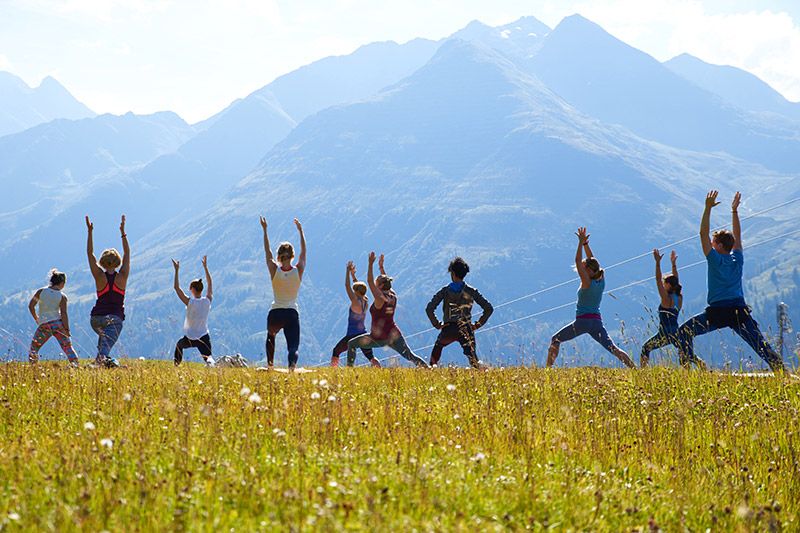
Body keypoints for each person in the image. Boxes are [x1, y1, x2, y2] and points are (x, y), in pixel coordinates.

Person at [677, 191, 784, 372]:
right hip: (738, 311)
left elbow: (702, 233)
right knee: (761, 346)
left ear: (718, 246)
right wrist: (734, 211)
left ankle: (688, 370)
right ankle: (783, 372)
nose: (710, 243)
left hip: (717, 312)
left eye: (713, 241)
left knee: (684, 332)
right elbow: (738, 237)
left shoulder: (714, 259)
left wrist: (707, 209)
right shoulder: (737, 259)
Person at [547, 227, 635, 368]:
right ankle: (635, 369)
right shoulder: (601, 279)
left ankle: (547, 370)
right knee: (613, 348)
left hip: (583, 321)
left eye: (584, 266)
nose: (581, 267)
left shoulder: (586, 282)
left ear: (588, 270)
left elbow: (577, 260)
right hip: (597, 322)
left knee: (555, 339)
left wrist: (580, 243)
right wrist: (586, 244)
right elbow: (593, 261)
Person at [347, 253, 429, 367]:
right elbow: (386, 283)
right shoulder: (392, 295)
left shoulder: (380, 298)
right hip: (394, 334)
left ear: (380, 286)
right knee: (410, 355)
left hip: (379, 338)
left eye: (377, 282)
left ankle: (349, 370)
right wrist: (381, 267)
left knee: (351, 344)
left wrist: (370, 264)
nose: (375, 283)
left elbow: (369, 281)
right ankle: (428, 368)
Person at [425, 257, 493, 368]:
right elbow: (488, 308)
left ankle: (432, 369)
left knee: (438, 347)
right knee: (473, 359)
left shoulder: (445, 291)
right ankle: (480, 376)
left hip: (448, 328)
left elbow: (429, 308)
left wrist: (437, 324)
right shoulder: (471, 291)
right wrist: (477, 325)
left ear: (453, 273)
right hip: (466, 328)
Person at [260, 216, 306, 371]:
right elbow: (304, 253)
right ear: (292, 255)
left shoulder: (274, 269)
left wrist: (265, 230)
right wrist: (300, 231)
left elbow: (267, 252)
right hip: (292, 313)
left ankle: (270, 366)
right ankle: (291, 368)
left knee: (271, 336)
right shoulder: (298, 270)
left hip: (276, 313)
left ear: (279, 256)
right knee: (293, 346)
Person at [86, 215, 129, 368]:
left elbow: (90, 254)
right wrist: (123, 232)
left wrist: (90, 232)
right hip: (114, 319)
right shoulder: (122, 276)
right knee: (106, 346)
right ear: (118, 262)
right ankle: (98, 364)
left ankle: (103, 362)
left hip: (96, 319)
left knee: (104, 340)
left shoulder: (98, 275)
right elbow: (127, 254)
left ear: (102, 262)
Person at [640, 250, 689, 368]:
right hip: (676, 331)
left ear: (669, 285)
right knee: (684, 352)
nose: (663, 283)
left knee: (646, 348)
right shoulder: (679, 297)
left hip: (665, 333)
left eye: (665, 283)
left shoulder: (666, 298)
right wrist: (673, 264)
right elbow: (676, 280)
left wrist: (657, 263)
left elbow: (657, 280)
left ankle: (642, 372)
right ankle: (690, 370)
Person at [331, 261, 380, 367]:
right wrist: (353, 276)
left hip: (352, 335)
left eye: (354, 290)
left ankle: (333, 371)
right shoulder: (365, 300)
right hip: (363, 333)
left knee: (336, 351)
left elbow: (347, 285)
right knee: (371, 357)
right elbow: (359, 288)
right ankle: (380, 369)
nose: (353, 291)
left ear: (357, 292)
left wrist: (347, 271)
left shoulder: (355, 301)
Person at [27, 269, 79, 366]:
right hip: (58, 324)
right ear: (62, 283)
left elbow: (31, 306)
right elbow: (64, 313)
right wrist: (67, 329)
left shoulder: (40, 292)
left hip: (44, 325)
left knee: (34, 348)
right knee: (67, 347)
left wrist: (36, 318)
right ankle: (75, 365)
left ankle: (33, 367)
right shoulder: (62, 296)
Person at [172, 256, 215, 367]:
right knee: (209, 359)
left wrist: (176, 270)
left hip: (190, 337)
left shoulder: (190, 302)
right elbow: (210, 284)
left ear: (192, 289)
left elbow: (176, 288)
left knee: (179, 345)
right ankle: (213, 370)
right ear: (201, 289)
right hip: (204, 337)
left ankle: (176, 365)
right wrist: (205, 267)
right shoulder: (207, 301)